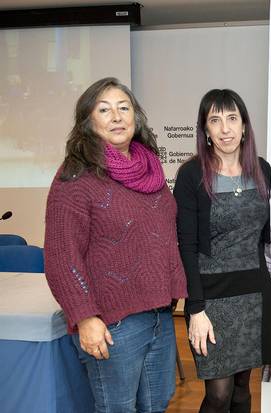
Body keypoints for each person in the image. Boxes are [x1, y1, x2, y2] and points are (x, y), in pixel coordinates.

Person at [44, 77, 188, 413]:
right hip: (112, 324)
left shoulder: (149, 168)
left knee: (157, 404)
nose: (117, 116)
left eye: (124, 108)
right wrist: (84, 318)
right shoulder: (75, 176)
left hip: (159, 314)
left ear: (136, 116)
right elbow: (62, 257)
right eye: (104, 109)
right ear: (88, 121)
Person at [173, 89, 271, 413]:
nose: (225, 128)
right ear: (205, 129)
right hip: (211, 298)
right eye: (215, 120)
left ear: (244, 126)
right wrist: (195, 309)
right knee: (218, 394)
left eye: (232, 118)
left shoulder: (262, 170)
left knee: (242, 390)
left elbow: (259, 239)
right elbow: (187, 247)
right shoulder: (191, 175)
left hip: (253, 294)